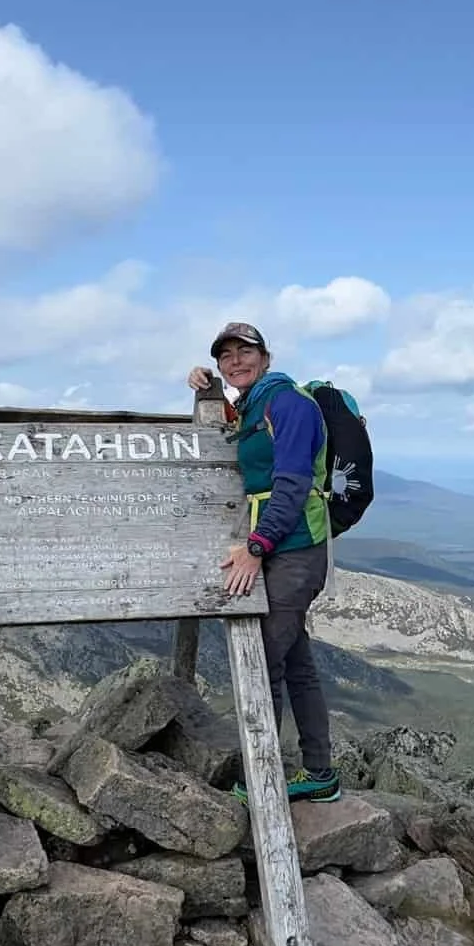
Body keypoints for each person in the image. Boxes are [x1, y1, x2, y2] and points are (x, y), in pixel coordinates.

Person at [189, 320, 341, 804]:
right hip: (282, 545)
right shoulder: (254, 405)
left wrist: (257, 548)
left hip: (295, 549)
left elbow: (293, 483)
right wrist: (206, 390)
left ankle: (265, 781)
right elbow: (231, 437)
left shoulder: (288, 403)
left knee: (263, 662)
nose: (235, 361)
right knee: (297, 663)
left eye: (245, 352)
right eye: (224, 356)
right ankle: (319, 772)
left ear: (267, 357)